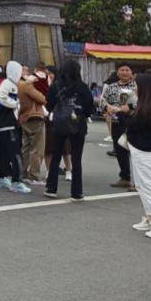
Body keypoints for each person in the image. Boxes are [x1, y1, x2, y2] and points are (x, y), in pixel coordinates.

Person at [115, 73, 151, 239]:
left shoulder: (147, 108)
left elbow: (133, 125)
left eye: (136, 85)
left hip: (144, 151)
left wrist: (124, 113)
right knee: (141, 185)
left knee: (149, 187)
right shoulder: (145, 105)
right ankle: (150, 218)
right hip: (140, 149)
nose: (134, 88)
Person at [43, 60, 93, 200]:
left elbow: (48, 105)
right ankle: (77, 192)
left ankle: (51, 188)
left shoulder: (56, 86)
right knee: (76, 159)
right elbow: (89, 109)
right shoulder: (83, 87)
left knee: (56, 156)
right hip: (78, 125)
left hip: (59, 124)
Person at [0, 61, 30, 194]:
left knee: (3, 152)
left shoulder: (9, 83)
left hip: (3, 125)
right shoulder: (9, 84)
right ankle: (16, 181)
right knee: (16, 153)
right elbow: (0, 97)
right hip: (8, 125)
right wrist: (15, 104)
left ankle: (1, 177)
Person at [102, 64, 136, 188]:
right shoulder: (111, 87)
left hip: (134, 121)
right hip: (116, 121)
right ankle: (125, 177)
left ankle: (139, 181)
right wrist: (107, 107)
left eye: (127, 69)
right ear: (117, 72)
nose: (124, 72)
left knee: (135, 151)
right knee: (120, 150)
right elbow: (102, 101)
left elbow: (145, 101)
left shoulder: (137, 86)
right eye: (122, 70)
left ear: (131, 72)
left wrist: (131, 107)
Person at [17, 66, 47, 185]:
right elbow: (42, 99)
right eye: (25, 71)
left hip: (23, 117)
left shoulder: (17, 85)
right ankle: (34, 175)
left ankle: (23, 173)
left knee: (25, 147)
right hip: (34, 117)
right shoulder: (26, 85)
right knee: (37, 148)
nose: (28, 73)